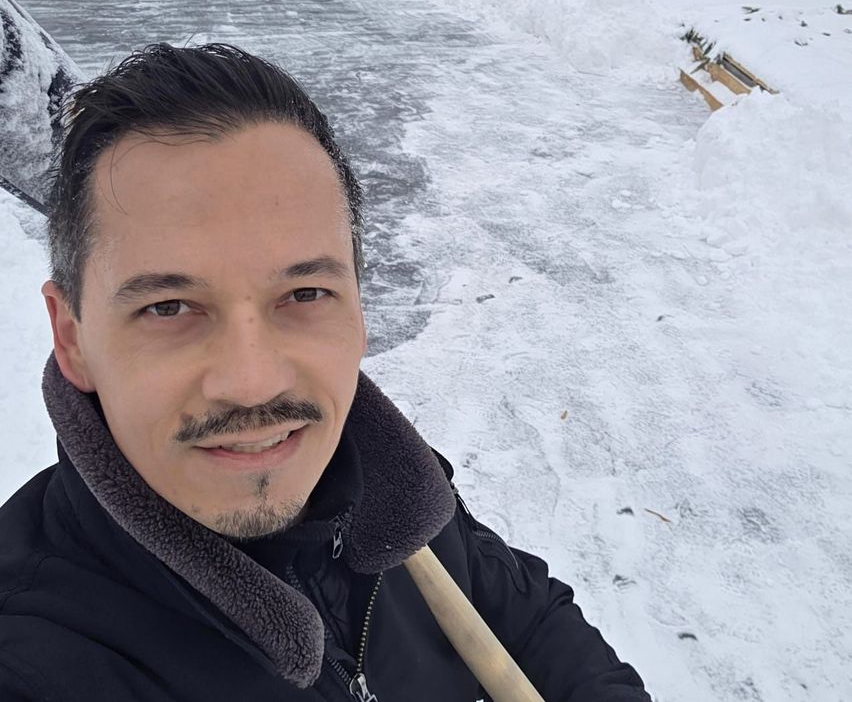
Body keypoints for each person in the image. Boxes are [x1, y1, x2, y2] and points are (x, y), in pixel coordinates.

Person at [0, 44, 651, 701]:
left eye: (305, 294)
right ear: (71, 337)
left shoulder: (392, 488)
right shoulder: (37, 657)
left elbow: (525, 615)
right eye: (168, 307)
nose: (252, 382)